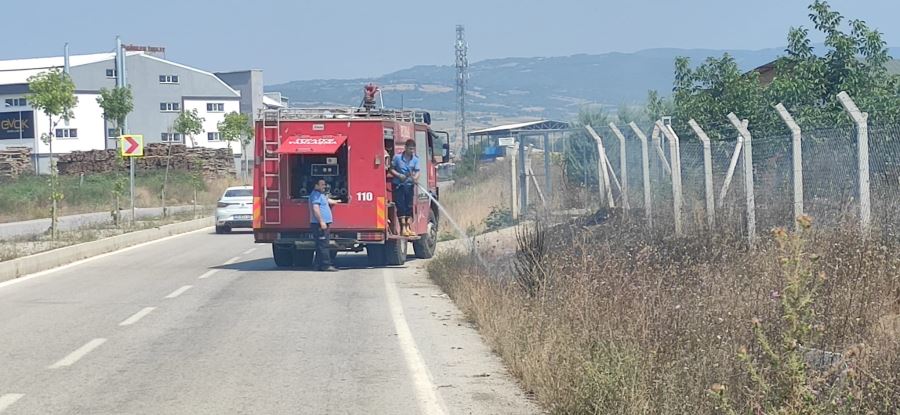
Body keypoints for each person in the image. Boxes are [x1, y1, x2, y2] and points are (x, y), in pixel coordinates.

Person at [390, 139, 420, 237]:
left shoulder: (415, 159)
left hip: (409, 186)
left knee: (409, 206)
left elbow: (417, 171)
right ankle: (403, 228)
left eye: (413, 149)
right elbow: (391, 169)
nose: (412, 151)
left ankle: (408, 227)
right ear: (405, 148)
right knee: (401, 206)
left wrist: (415, 178)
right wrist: (399, 175)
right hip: (398, 186)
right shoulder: (397, 158)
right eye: (410, 149)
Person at [309, 178, 339, 272]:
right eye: (322, 184)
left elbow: (328, 200)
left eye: (324, 184)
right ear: (316, 185)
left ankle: (317, 265)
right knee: (323, 245)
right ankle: (326, 265)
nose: (324, 186)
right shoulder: (315, 196)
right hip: (319, 224)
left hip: (321, 224)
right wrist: (321, 221)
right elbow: (315, 209)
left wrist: (337, 201)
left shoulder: (321, 195)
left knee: (319, 245)